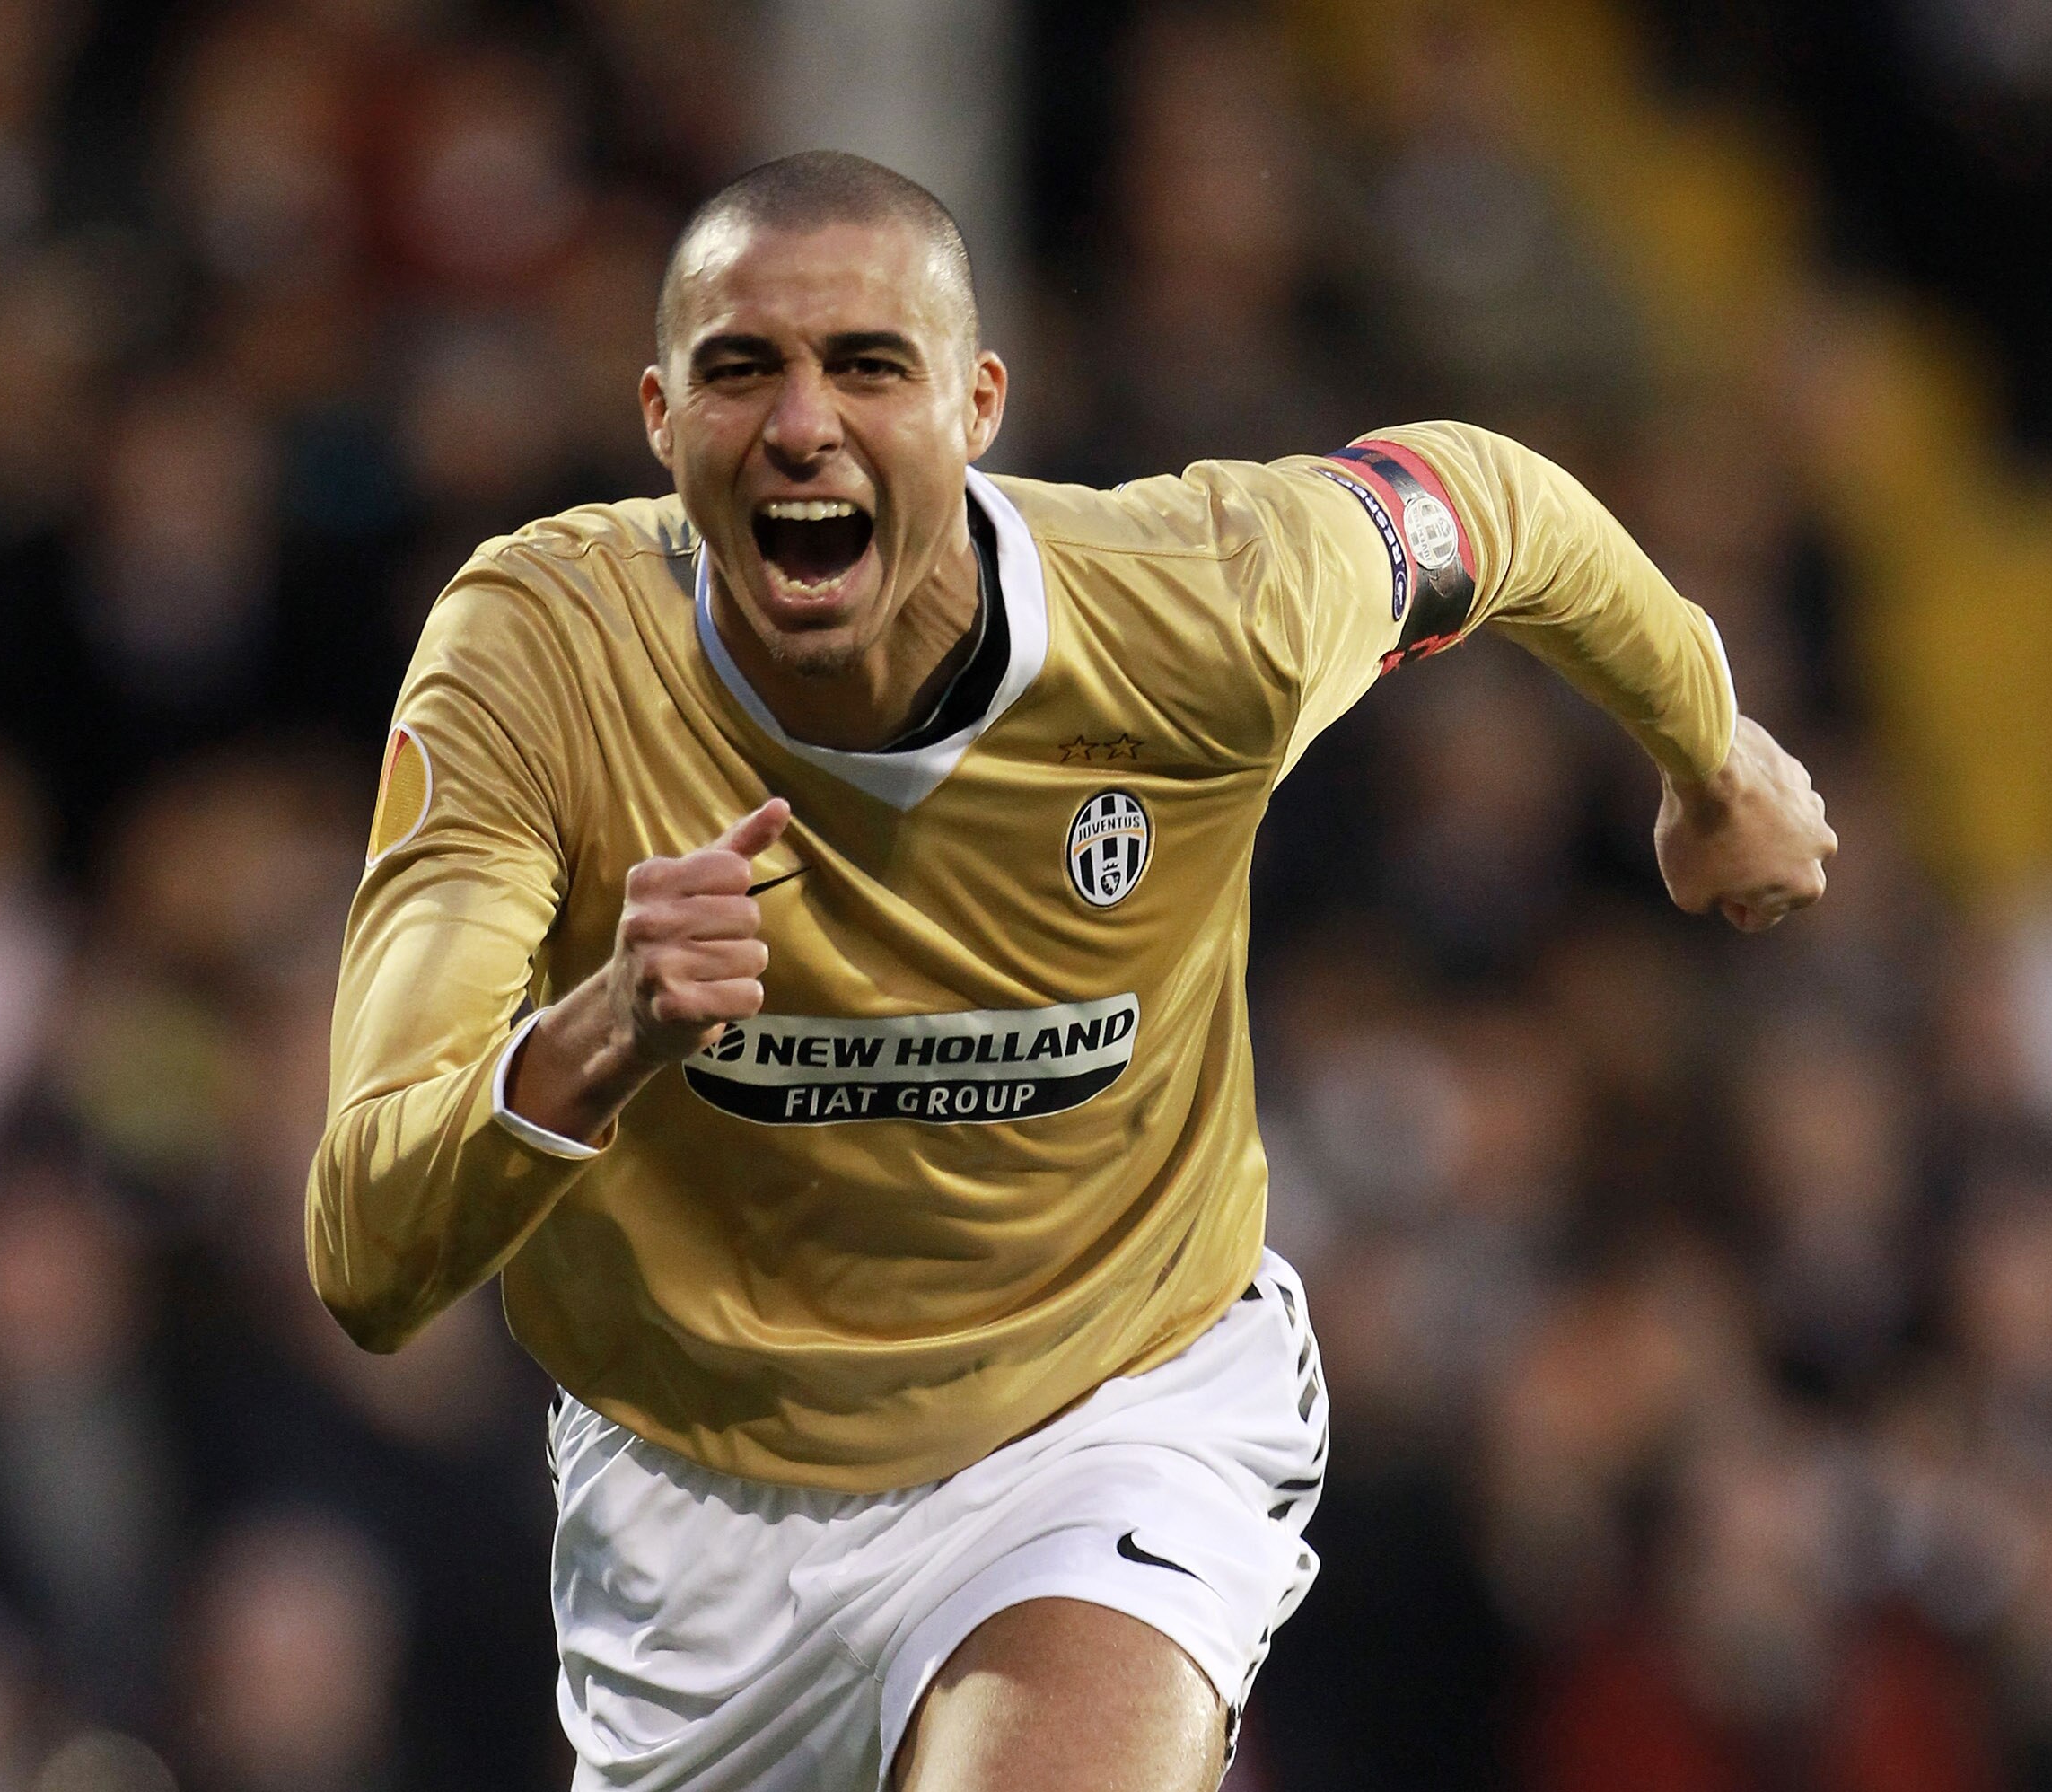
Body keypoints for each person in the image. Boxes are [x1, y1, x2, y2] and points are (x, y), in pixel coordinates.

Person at [307, 151, 1834, 1792]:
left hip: (1110, 1411)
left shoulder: (1197, 613)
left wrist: (1712, 757)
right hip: (696, 1512)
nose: (802, 422)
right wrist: (596, 1035)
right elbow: (370, 1248)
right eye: (741, 368)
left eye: (867, 365)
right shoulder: (536, 660)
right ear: (661, 419)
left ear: (978, 406)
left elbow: (1492, 508)